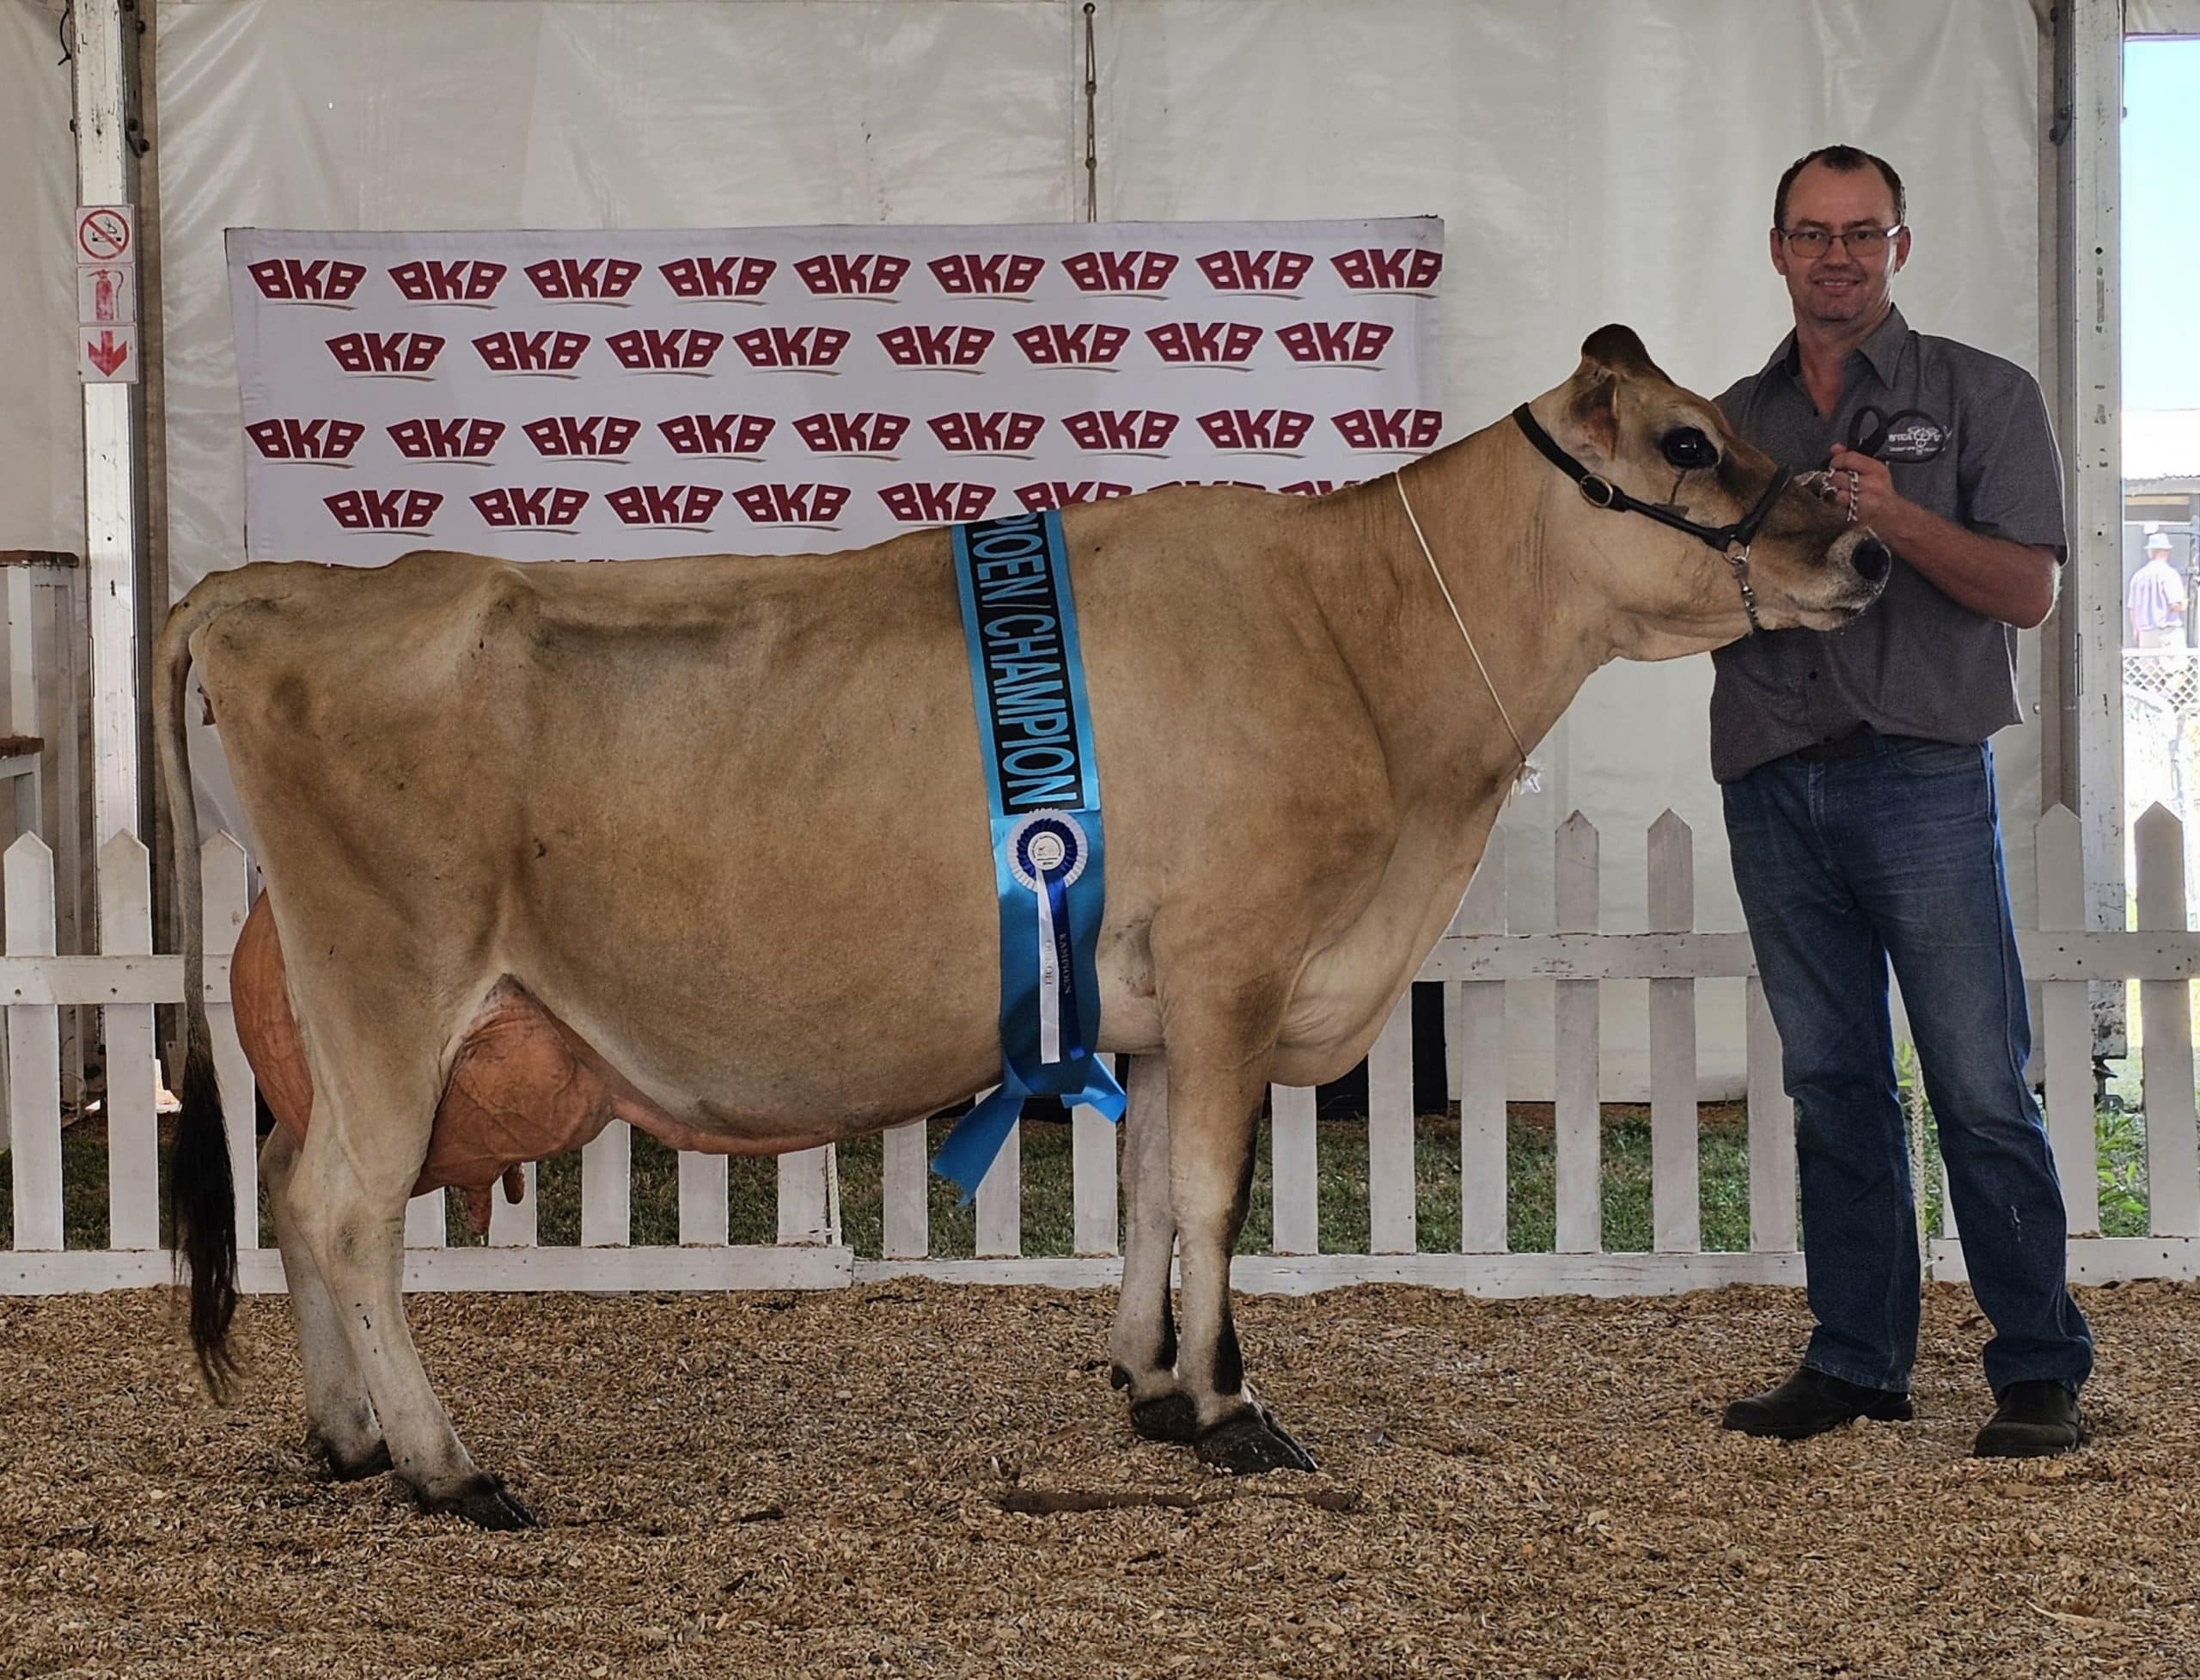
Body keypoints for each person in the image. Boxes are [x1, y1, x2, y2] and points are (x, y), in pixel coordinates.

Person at [1710, 144, 2093, 1456]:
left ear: (1899, 247)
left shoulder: (1982, 395)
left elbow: (2029, 592)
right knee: (1832, 1082)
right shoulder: (1728, 420)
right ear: (1775, 249)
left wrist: (1895, 514)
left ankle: (2038, 1367)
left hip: (1922, 771)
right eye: (1811, 234)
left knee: (1981, 1078)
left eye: (1860, 233)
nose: (1835, 256)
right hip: (1770, 773)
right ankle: (1858, 1359)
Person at [2128, 530, 2186, 649]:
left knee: (2148, 667)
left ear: (2150, 552)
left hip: (2146, 635)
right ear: (2166, 552)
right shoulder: (2169, 574)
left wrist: (2136, 629)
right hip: (2168, 634)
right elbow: (2176, 605)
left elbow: (2133, 609)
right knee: (2175, 668)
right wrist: (2186, 603)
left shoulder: (2138, 576)